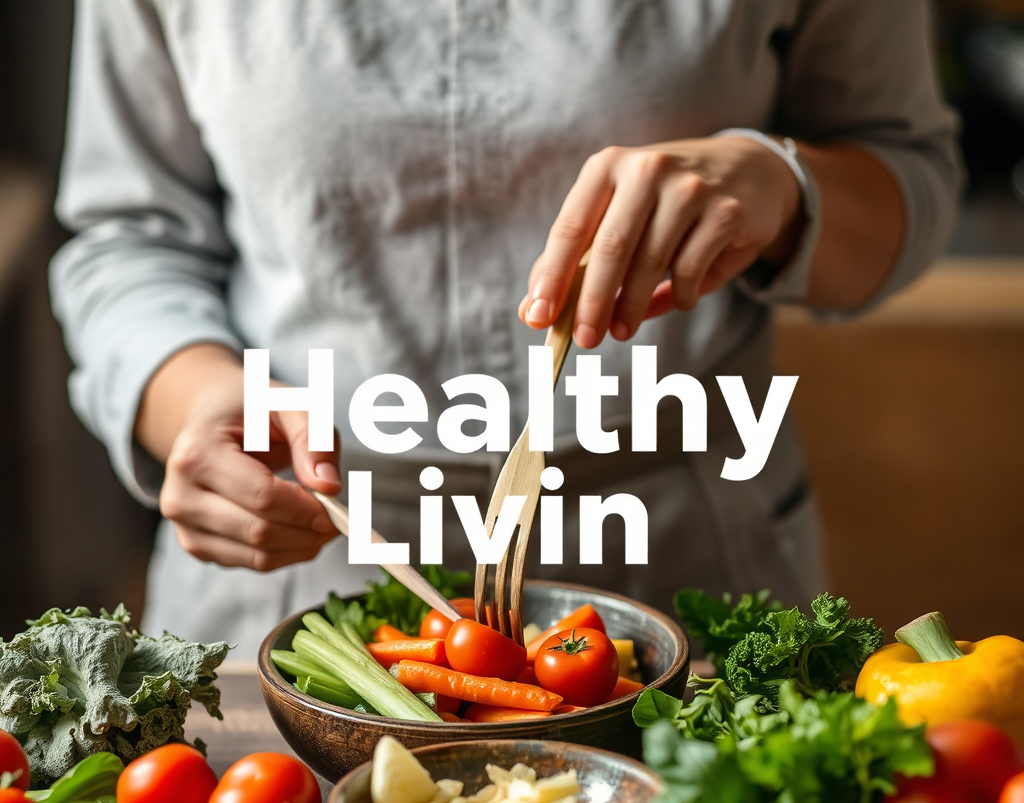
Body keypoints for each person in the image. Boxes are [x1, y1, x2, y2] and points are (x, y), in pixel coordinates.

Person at [51, 1, 961, 658]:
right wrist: (201, 399)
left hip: (678, 564)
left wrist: (779, 185)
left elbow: (910, 179)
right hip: (306, 577)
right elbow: (129, 235)